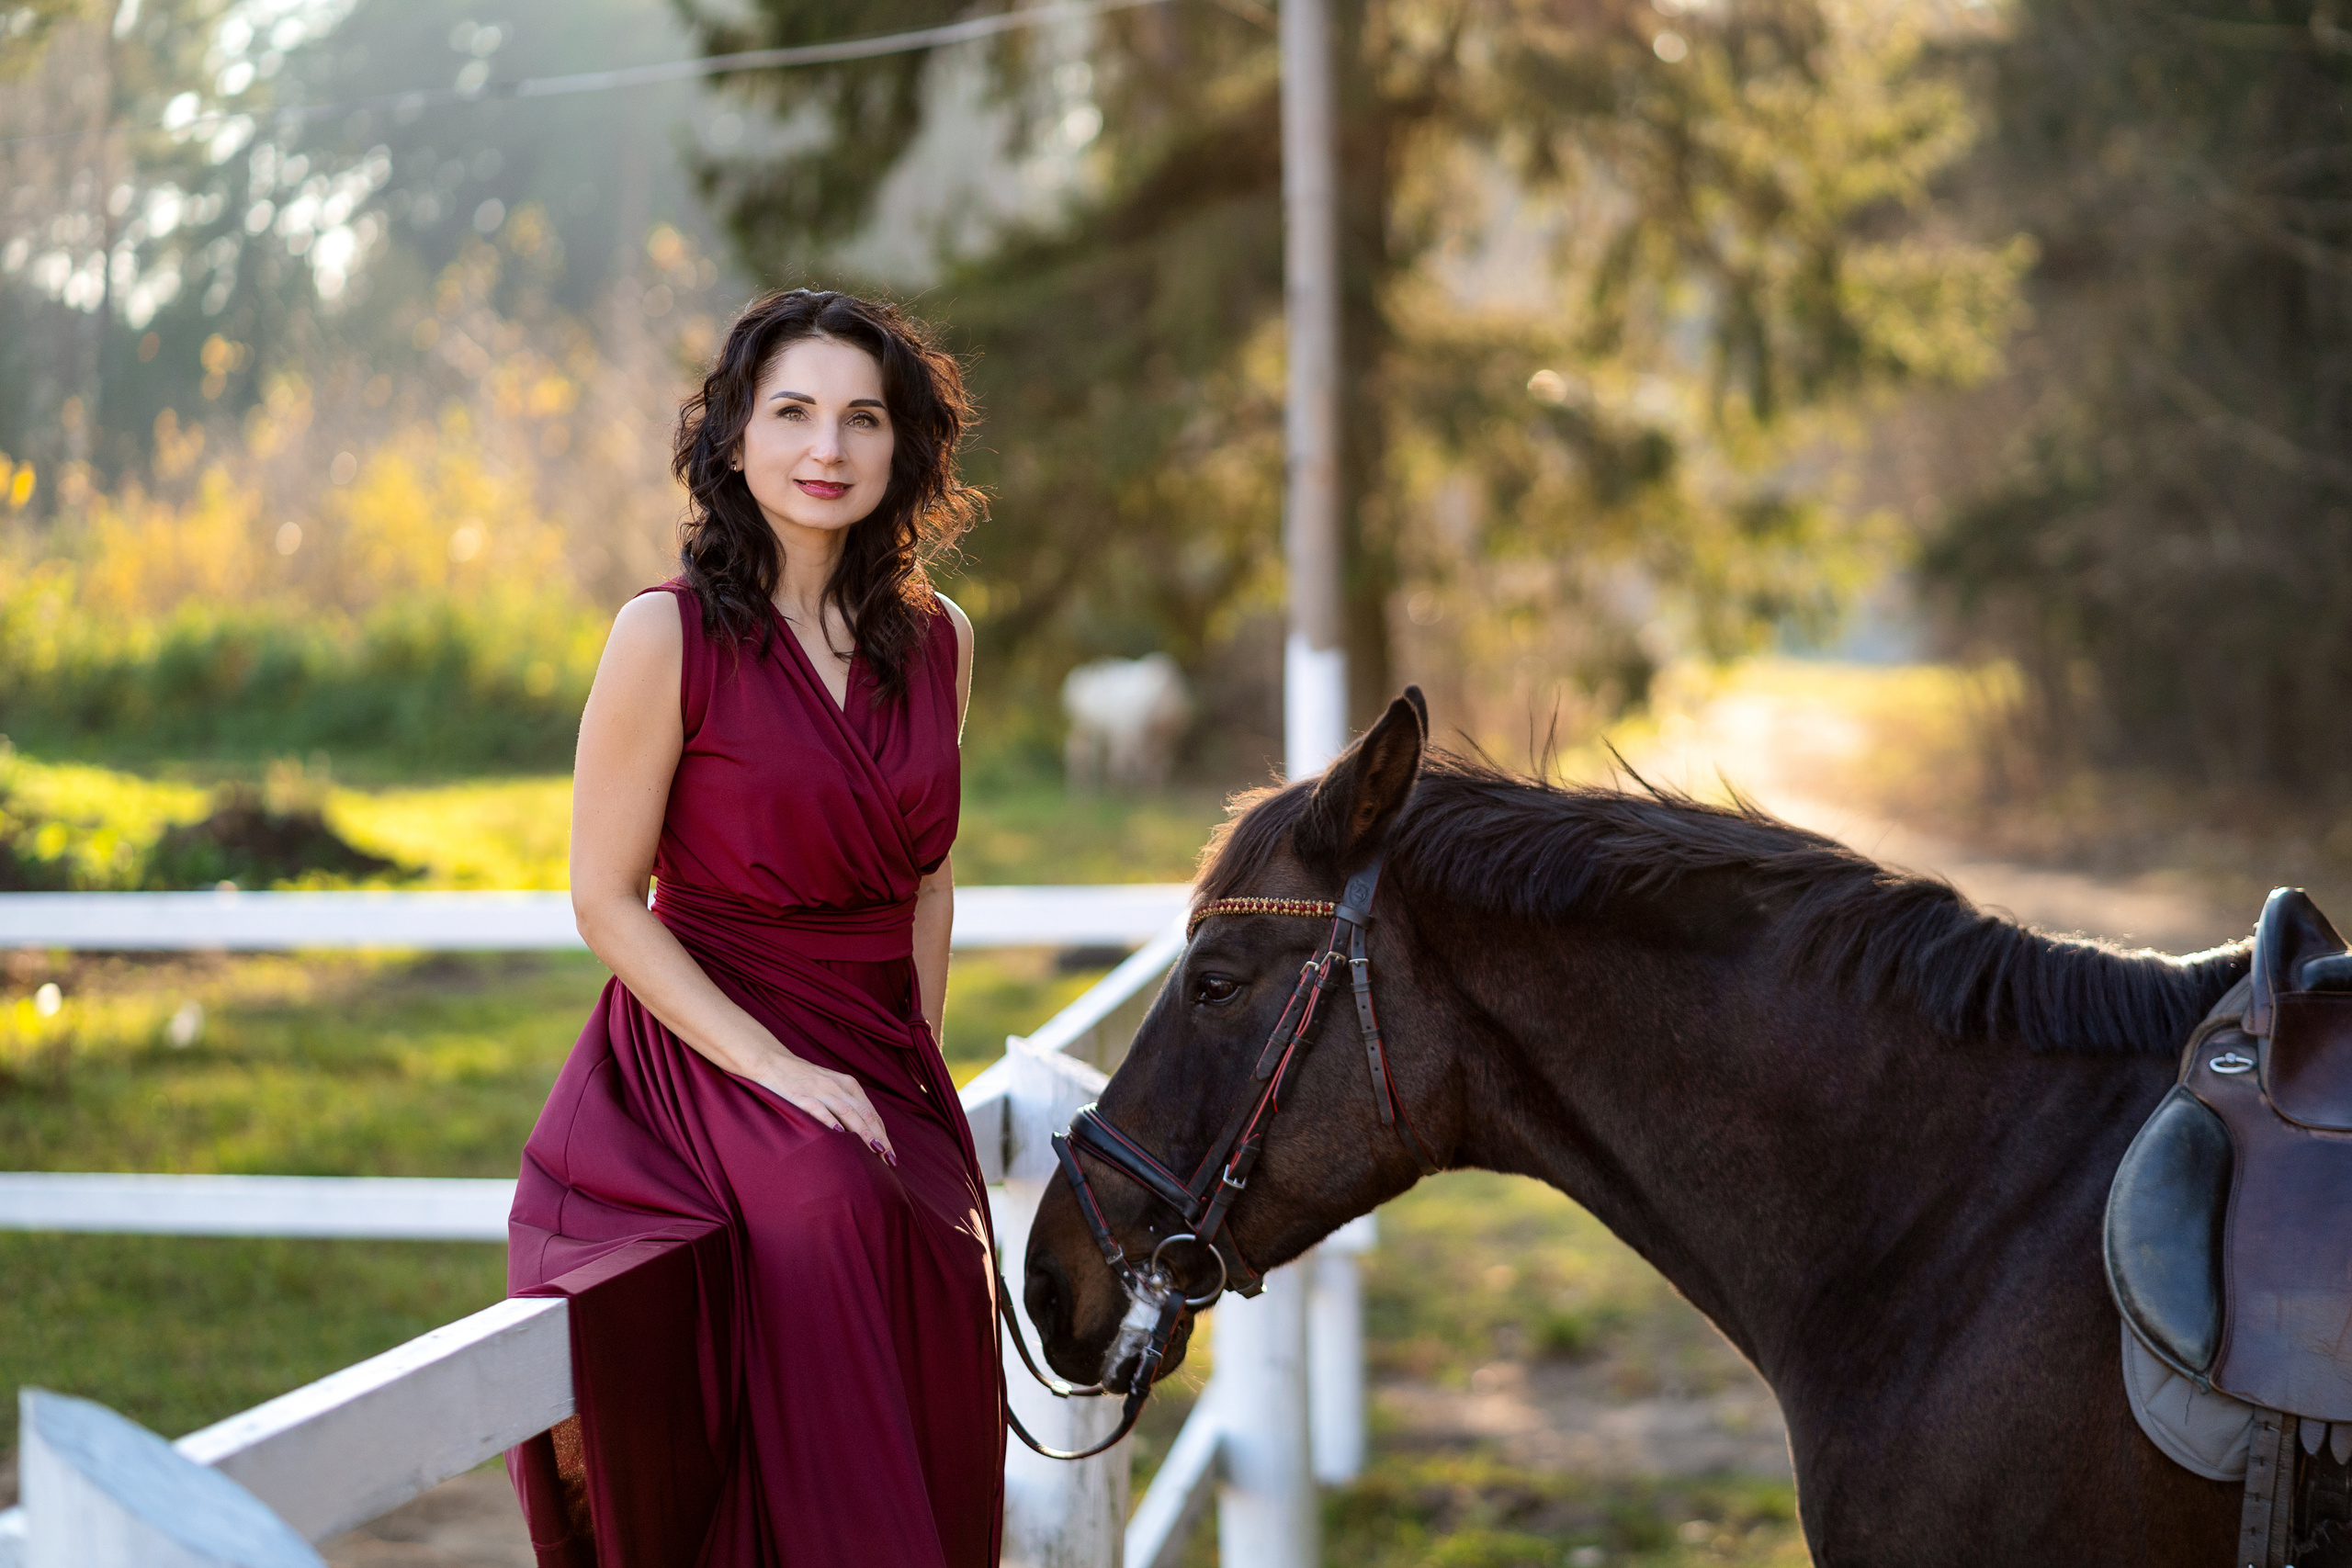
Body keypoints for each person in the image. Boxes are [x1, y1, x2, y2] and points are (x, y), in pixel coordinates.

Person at [504, 288, 999, 1565]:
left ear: (903, 451)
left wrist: (919, 1059)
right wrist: (777, 1070)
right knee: (824, 1200)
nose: (826, 448)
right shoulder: (664, 635)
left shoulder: (939, 640)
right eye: (791, 413)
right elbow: (604, 898)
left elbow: (930, 877)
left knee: (945, 1253)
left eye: (861, 418)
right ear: (732, 439)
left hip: (880, 1037)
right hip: (709, 1044)